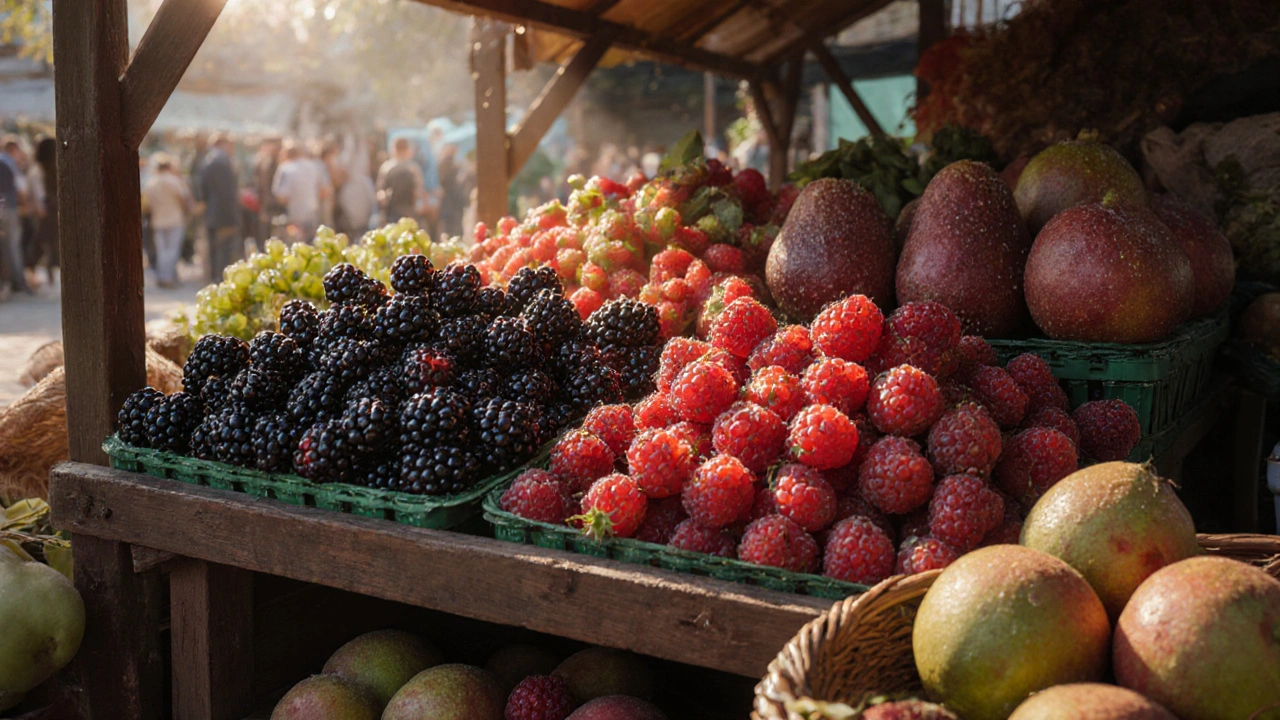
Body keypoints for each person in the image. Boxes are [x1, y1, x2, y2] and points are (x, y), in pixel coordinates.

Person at [142, 154, 192, 288]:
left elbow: (147, 204)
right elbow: (183, 198)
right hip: (174, 219)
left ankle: (163, 276)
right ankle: (167, 277)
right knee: (172, 250)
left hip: (158, 220)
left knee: (162, 250)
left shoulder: (151, 183)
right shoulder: (173, 181)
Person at [199, 133, 242, 281]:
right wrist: (233, 217)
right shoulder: (221, 162)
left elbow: (202, 190)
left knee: (215, 252)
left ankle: (215, 279)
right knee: (223, 252)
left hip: (212, 212)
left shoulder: (208, 161)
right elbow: (227, 193)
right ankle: (220, 281)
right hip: (223, 215)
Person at [273, 142, 329, 242]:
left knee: (295, 247)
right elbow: (325, 190)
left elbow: (282, 197)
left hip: (294, 217)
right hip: (313, 214)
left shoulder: (285, 168)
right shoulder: (314, 166)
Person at [0, 137, 31, 294]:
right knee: (13, 246)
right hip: (8, 209)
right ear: (13, 150)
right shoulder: (9, 163)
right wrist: (25, 204)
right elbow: (20, 189)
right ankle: (19, 282)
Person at [377, 137, 425, 226]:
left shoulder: (388, 167)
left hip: (406, 208)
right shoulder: (388, 167)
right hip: (394, 209)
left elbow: (418, 189)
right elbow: (381, 190)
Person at [31, 137, 57, 287]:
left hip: (49, 212)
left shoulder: (43, 170)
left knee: (46, 244)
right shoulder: (41, 170)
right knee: (45, 243)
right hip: (49, 213)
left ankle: (48, 272)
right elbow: (40, 193)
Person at [251, 136, 282, 247]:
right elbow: (262, 186)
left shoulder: (276, 161)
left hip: (274, 205)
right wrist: (263, 209)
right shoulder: (267, 162)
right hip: (269, 205)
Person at [436, 143, 465, 238]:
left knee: (451, 222)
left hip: (451, 197)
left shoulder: (449, 163)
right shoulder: (448, 163)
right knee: (452, 222)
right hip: (451, 197)